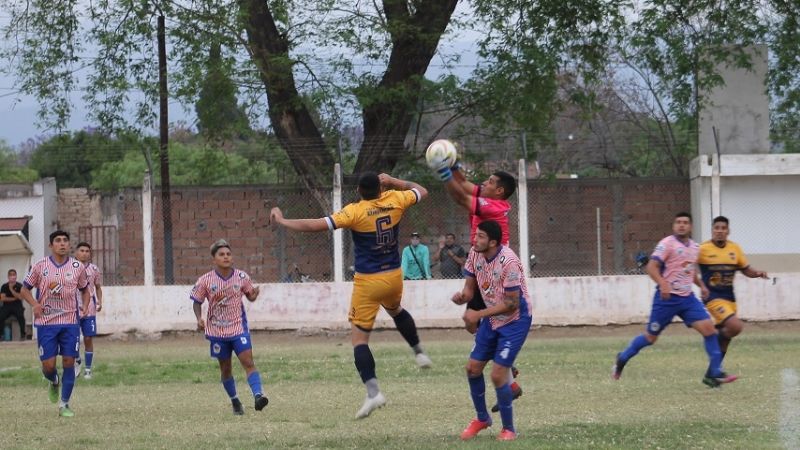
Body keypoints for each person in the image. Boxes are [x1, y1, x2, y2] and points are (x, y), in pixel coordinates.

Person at [270, 172, 433, 419]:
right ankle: (419, 352)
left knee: (359, 340)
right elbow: (421, 189)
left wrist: (282, 221)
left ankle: (373, 392)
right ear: (381, 187)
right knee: (396, 310)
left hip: (368, 282)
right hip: (393, 276)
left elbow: (315, 225)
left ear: (359, 191)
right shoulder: (396, 199)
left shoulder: (354, 212)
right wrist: (393, 181)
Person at [430, 155, 522, 405]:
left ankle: (508, 375)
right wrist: (454, 166)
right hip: (480, 262)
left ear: (499, 191)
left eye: (490, 182)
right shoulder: (490, 197)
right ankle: (509, 375)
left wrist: (444, 174)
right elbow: (468, 186)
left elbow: (461, 197)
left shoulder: (495, 207)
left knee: (475, 322)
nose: (484, 183)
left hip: (494, 269)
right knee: (473, 322)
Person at [612, 212, 738, 388]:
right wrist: (663, 283)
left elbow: (689, 270)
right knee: (650, 338)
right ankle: (622, 358)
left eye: (685, 222)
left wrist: (701, 285)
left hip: (687, 299)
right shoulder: (666, 244)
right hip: (666, 300)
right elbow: (652, 266)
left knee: (709, 330)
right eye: (678, 222)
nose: (682, 225)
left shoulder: (695, 247)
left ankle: (715, 371)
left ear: (690, 226)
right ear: (674, 226)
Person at [451, 220, 532, 441]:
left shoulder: (509, 262)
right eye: (475, 235)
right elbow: (469, 290)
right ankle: (482, 418)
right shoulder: (475, 254)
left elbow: (512, 304)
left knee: (497, 375)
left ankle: (509, 430)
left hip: (516, 320)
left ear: (493, 242)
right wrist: (462, 299)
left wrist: (478, 315)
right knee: (472, 368)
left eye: (480, 236)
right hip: (493, 318)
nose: (474, 239)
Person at [191, 239, 268, 415]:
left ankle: (258, 396)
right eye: (221, 255)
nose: (226, 257)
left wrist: (254, 295)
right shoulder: (205, 280)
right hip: (217, 331)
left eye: (228, 254)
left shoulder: (242, 277)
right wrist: (198, 318)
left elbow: (250, 296)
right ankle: (235, 401)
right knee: (226, 369)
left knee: (248, 362)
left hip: (238, 328)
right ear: (214, 260)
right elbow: (197, 301)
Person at [18, 230, 90, 417]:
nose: (62, 243)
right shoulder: (40, 266)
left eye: (65, 240)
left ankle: (64, 404)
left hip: (70, 322)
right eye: (58, 241)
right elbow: (24, 289)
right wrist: (34, 304)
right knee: (48, 366)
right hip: (46, 323)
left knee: (69, 361)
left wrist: (85, 307)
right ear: (51, 245)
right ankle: (53, 381)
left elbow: (85, 290)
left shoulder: (77, 267)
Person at [698, 216, 768, 363]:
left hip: (730, 298)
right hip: (712, 297)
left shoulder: (734, 248)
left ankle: (713, 372)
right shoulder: (703, 249)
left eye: (723, 228)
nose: (720, 231)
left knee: (726, 339)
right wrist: (701, 286)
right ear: (712, 230)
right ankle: (711, 340)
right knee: (735, 326)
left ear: (728, 231)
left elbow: (745, 269)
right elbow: (689, 267)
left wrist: (757, 273)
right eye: (717, 228)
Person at [73, 242, 103, 379]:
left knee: (88, 338)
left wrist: (99, 301)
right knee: (73, 338)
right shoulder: (70, 268)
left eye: (87, 251)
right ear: (76, 253)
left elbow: (97, 287)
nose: (85, 253)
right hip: (73, 308)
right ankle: (77, 359)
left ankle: (88, 370)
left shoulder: (94, 269)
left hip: (89, 308)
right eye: (82, 250)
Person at [0, 269, 26, 341]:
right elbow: (2, 298)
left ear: (16, 276)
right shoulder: (4, 286)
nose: (13, 276)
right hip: (6, 306)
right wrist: (14, 298)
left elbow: (21, 297)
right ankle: (1, 335)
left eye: (14, 275)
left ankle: (23, 335)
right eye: (11, 275)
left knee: (21, 316)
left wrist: (11, 289)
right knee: (1, 316)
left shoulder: (20, 286)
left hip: (17, 305)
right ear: (8, 276)